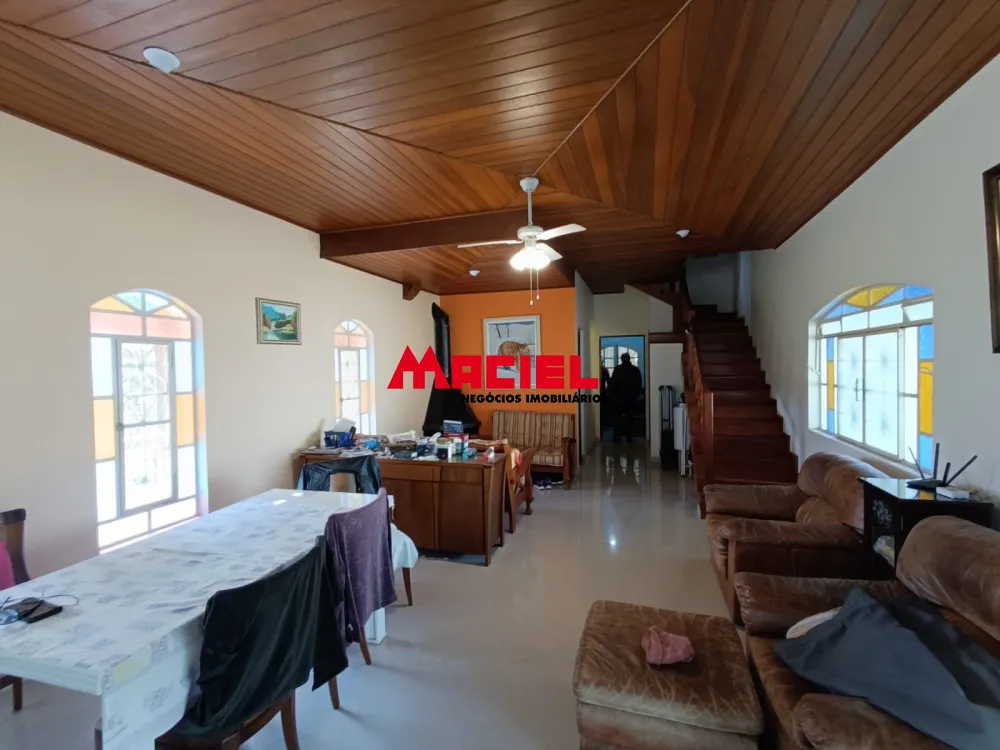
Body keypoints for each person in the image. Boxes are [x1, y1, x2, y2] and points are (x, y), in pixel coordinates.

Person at [608, 353, 643, 443]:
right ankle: (629, 437)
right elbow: (639, 383)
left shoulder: (618, 369)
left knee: (616, 419)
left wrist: (612, 394)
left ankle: (617, 437)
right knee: (629, 419)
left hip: (618, 398)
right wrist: (636, 395)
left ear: (622, 359)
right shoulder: (635, 370)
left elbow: (613, 382)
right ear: (629, 359)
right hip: (630, 398)